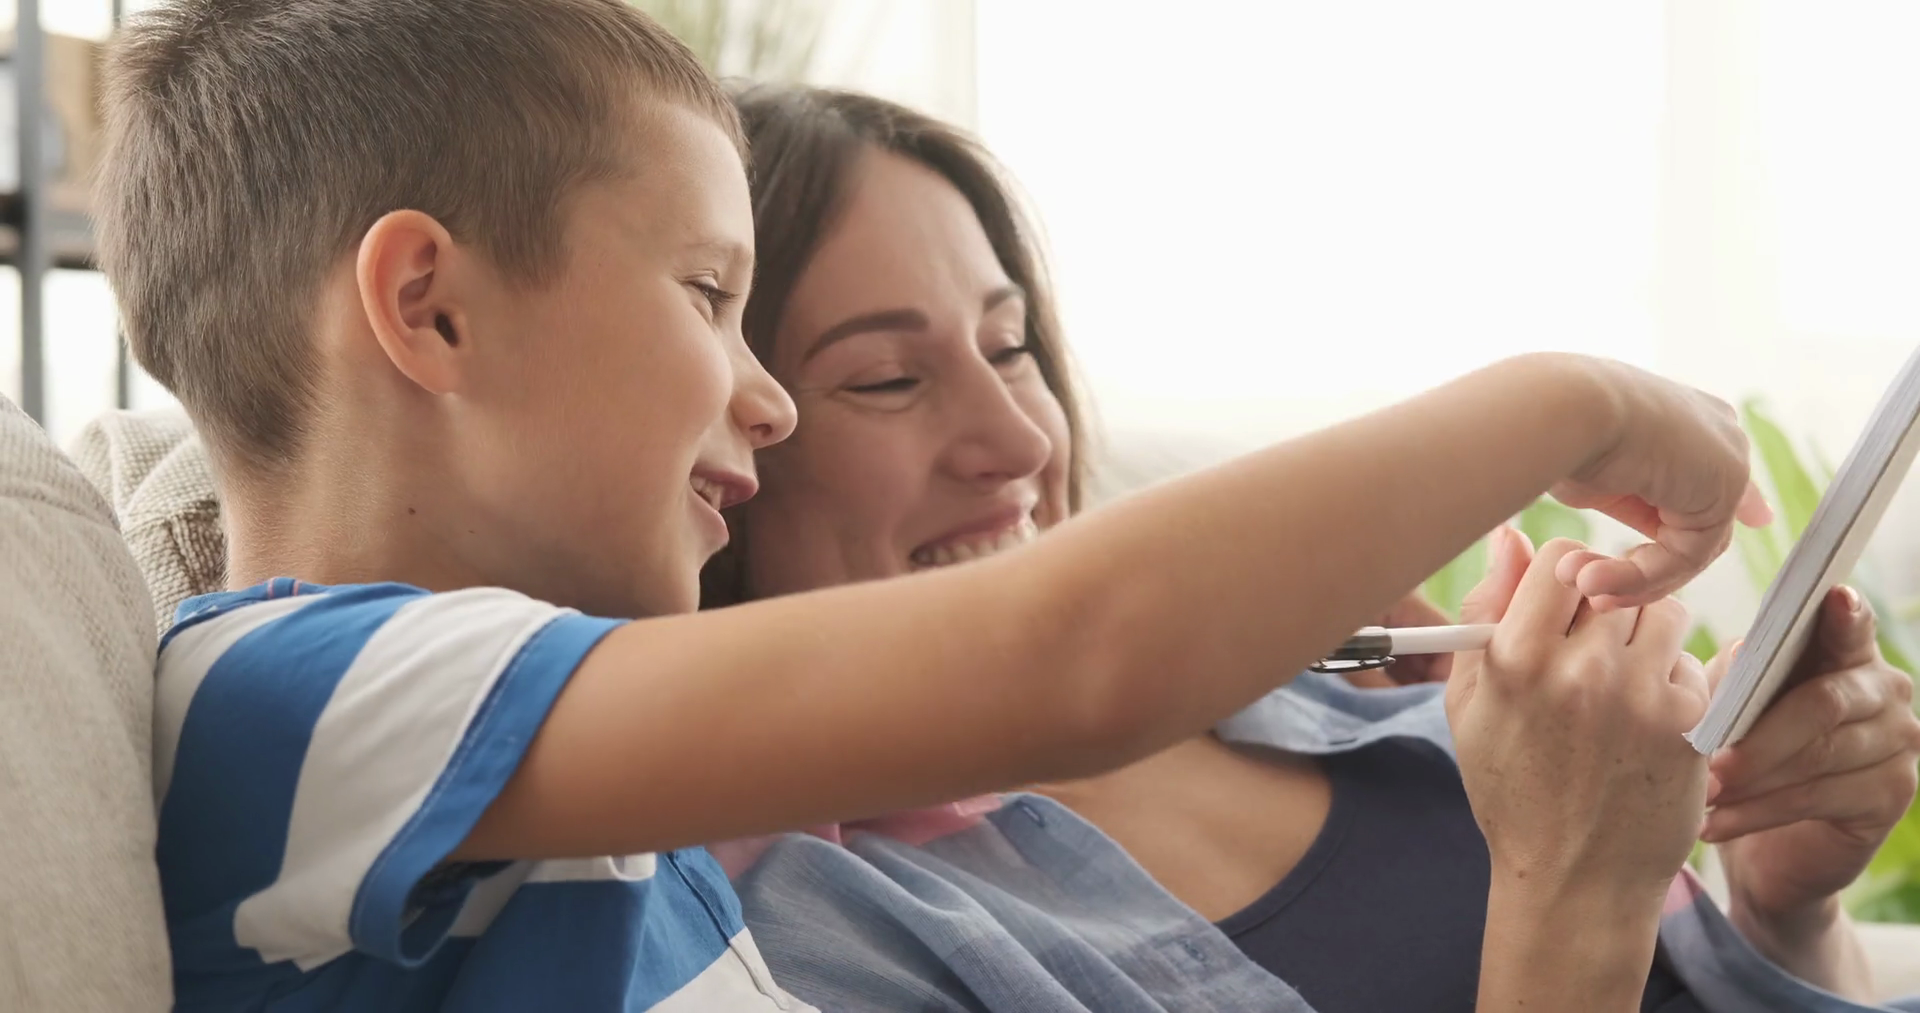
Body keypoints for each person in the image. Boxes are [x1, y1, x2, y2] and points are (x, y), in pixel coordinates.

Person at [95, 1, 1776, 1008]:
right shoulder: (292, 697)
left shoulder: (543, 780)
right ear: (432, 310)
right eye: (708, 295)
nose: (760, 400)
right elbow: (1075, 649)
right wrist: (1570, 402)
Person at [710, 83, 1920, 1013]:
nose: (1019, 439)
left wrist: (1787, 907)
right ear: (724, 447)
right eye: (887, 377)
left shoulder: (1326, 685)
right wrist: (1577, 896)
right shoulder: (807, 932)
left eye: (1011, 345)